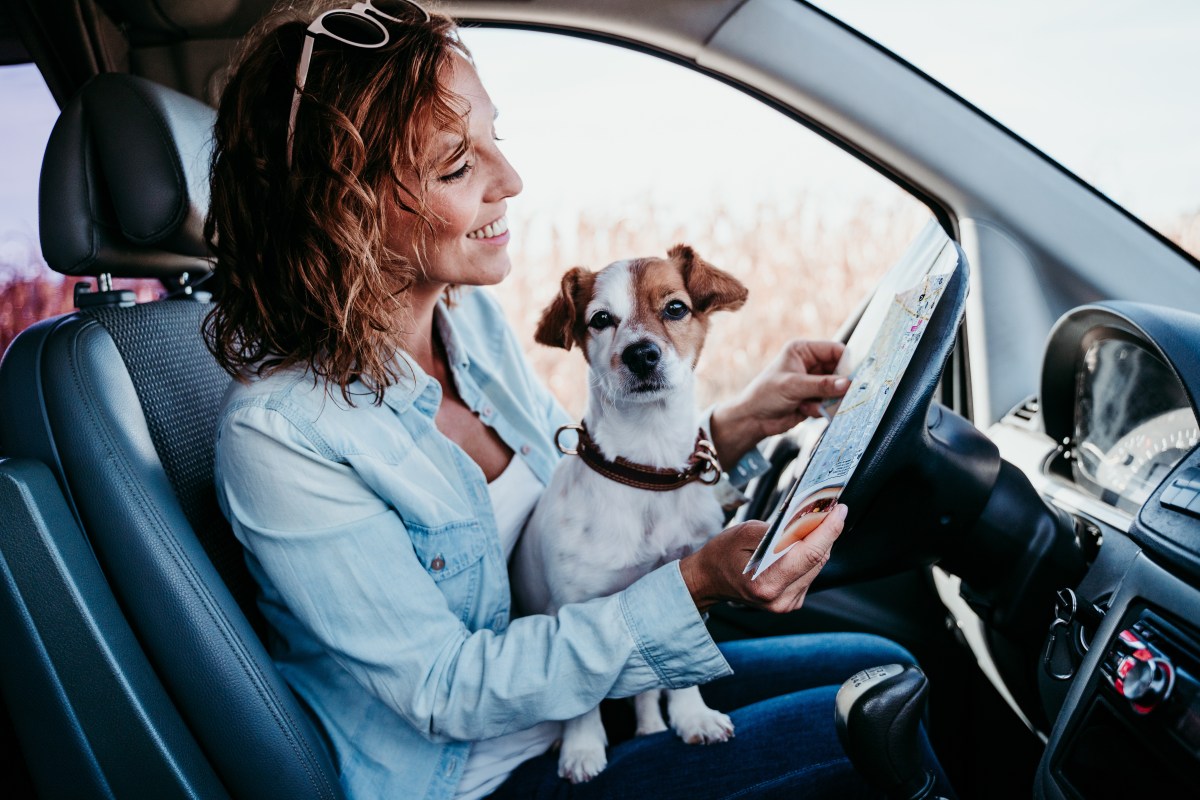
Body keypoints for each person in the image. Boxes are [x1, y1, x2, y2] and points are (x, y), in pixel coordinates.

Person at [206, 2, 946, 798]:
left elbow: (592, 485)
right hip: (488, 771)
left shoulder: (472, 325)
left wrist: (736, 424)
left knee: (886, 669)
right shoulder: (284, 437)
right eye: (458, 165)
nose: (511, 182)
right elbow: (445, 690)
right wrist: (694, 583)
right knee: (864, 735)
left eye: (498, 139)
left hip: (603, 689)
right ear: (341, 211)